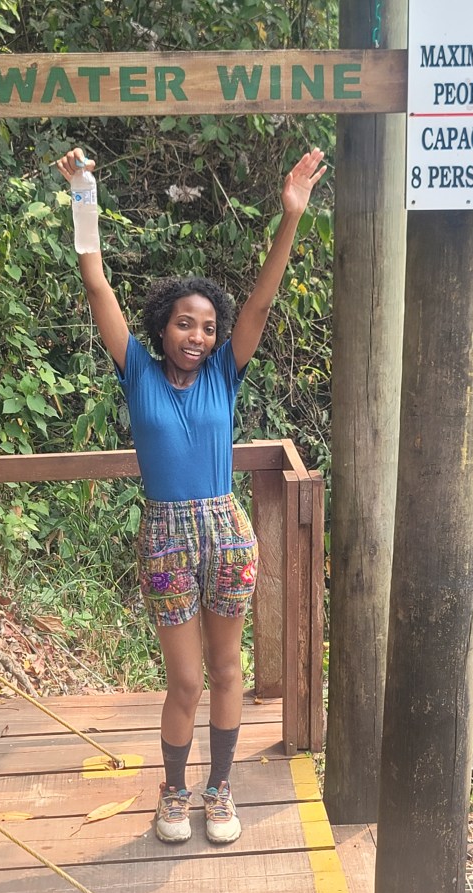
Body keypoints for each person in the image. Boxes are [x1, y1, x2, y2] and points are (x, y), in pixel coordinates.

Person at [56, 145, 326, 845]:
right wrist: (83, 196)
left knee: (229, 670)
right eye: (185, 323)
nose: (198, 336)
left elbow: (261, 300)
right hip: (166, 536)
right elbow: (97, 287)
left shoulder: (223, 375)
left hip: (226, 532)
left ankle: (219, 788)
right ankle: (173, 792)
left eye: (208, 327)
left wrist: (291, 215)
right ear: (162, 327)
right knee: (185, 681)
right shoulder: (137, 372)